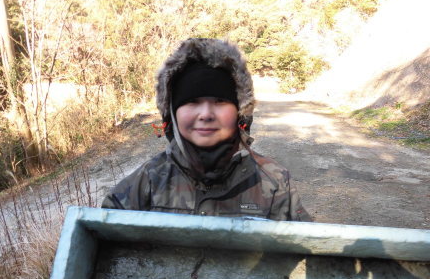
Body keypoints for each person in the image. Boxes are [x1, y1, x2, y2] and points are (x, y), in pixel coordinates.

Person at [102, 38, 311, 221]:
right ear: (172, 113)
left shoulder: (274, 181)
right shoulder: (147, 181)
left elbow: (304, 254)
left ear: (240, 111)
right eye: (192, 101)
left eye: (220, 101)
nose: (206, 114)